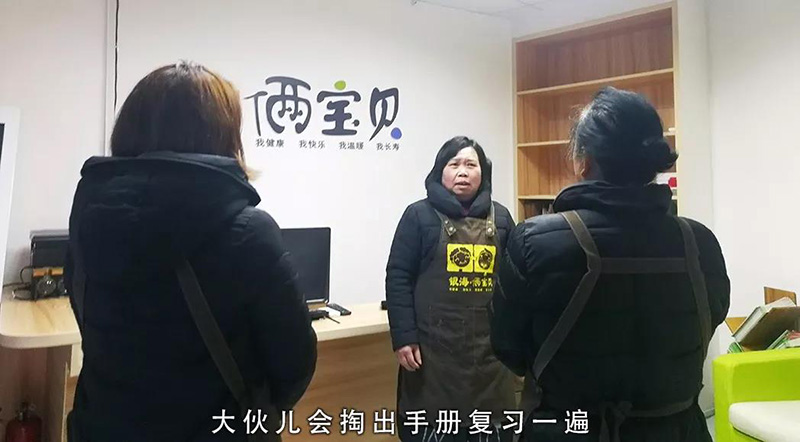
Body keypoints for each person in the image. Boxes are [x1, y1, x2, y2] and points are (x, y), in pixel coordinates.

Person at [64, 62, 317, 441]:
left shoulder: (90, 215)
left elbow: (90, 322)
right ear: (223, 133)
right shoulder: (247, 229)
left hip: (102, 425)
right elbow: (293, 365)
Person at [491, 87, 730, 442]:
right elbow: (707, 324)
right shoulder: (700, 242)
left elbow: (507, 346)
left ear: (583, 161)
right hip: (677, 430)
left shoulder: (532, 241)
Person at [386, 136, 517, 441]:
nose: (463, 172)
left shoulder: (501, 219)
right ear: (440, 171)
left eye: (471, 164)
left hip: (489, 352)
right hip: (432, 353)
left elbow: (514, 281)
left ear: (483, 173)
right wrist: (404, 337)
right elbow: (398, 277)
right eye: (454, 164)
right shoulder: (418, 216)